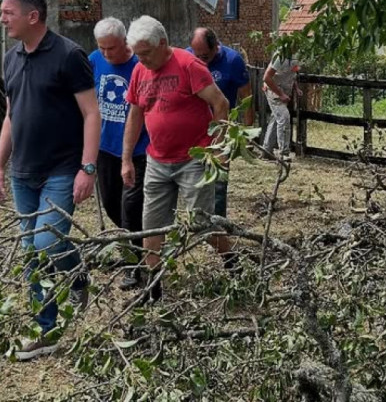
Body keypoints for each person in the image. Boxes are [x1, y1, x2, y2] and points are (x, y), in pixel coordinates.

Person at [0, 0, 101, 361]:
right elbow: (10, 115)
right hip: (24, 173)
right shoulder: (11, 58)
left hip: (63, 169)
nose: (3, 19)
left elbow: (91, 114)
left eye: (8, 13)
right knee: (31, 254)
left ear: (32, 16)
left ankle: (72, 277)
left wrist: (88, 167)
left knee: (47, 244)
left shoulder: (69, 55)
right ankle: (46, 328)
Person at [121, 16, 234, 301]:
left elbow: (221, 103)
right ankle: (153, 289)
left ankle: (234, 265)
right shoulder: (139, 72)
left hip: (193, 159)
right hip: (157, 162)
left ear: (162, 43)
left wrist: (217, 148)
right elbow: (134, 116)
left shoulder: (188, 65)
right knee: (152, 226)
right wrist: (126, 159)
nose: (142, 59)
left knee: (201, 224)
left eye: (146, 53)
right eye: (138, 54)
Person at [89, 17, 150, 291]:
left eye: (111, 48)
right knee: (112, 203)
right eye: (101, 48)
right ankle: (140, 244)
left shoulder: (140, 65)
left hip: (138, 149)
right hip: (105, 148)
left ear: (125, 42)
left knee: (130, 207)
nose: (106, 54)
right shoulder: (94, 60)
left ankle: (133, 267)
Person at [187, 27, 250, 217]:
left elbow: (246, 96)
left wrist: (246, 132)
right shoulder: (187, 58)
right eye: (196, 54)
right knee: (193, 177)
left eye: (204, 56)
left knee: (219, 178)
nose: (199, 60)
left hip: (220, 128)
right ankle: (196, 218)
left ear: (216, 47)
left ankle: (217, 223)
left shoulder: (233, 61)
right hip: (193, 130)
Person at [263, 55, 301, 158]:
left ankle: (266, 151)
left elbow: (292, 73)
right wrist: (281, 94)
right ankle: (284, 154)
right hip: (274, 91)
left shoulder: (297, 56)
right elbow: (266, 77)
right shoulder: (280, 56)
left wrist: (296, 88)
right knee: (284, 118)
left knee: (276, 119)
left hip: (285, 91)